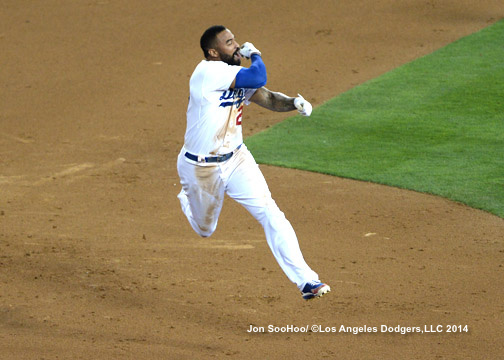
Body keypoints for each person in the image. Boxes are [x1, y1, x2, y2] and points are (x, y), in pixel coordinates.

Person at [177, 25, 330, 300]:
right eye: (229, 42)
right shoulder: (208, 72)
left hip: (237, 158)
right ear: (213, 52)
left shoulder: (235, 75)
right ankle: (187, 196)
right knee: (205, 229)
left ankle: (307, 281)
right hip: (201, 168)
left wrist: (294, 102)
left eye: (235, 40)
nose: (236, 45)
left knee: (270, 211)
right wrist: (256, 54)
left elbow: (268, 97)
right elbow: (258, 73)